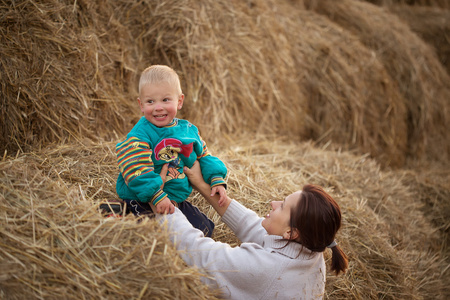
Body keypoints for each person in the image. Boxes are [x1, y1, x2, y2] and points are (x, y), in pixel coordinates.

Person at [153, 161, 348, 299]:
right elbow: (249, 224)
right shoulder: (311, 250)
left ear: (291, 232)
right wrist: (203, 185)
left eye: (282, 206)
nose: (273, 203)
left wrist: (159, 200)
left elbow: (198, 253)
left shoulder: (266, 270)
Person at [115, 65, 227, 237]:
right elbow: (134, 167)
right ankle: (119, 211)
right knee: (151, 233)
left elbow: (204, 155)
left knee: (205, 230)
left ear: (179, 101)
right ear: (141, 105)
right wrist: (155, 195)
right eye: (150, 102)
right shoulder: (141, 134)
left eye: (166, 100)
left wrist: (216, 179)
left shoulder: (188, 130)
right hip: (144, 197)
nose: (158, 107)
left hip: (175, 199)